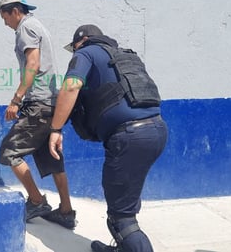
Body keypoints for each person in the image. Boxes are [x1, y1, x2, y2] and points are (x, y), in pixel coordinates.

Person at [48, 24, 168, 251]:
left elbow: (71, 87)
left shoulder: (85, 52)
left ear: (80, 42)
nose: (74, 52)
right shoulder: (123, 56)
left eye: (73, 48)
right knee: (125, 201)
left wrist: (56, 129)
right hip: (157, 129)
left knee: (121, 219)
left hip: (129, 137)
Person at [0, 0, 76, 229]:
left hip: (38, 104)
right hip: (51, 103)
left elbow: (33, 63)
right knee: (52, 158)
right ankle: (66, 211)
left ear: (15, 11)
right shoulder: (37, 26)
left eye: (5, 17)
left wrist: (16, 99)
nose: (5, 23)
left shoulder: (25, 28)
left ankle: (37, 200)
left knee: (10, 151)